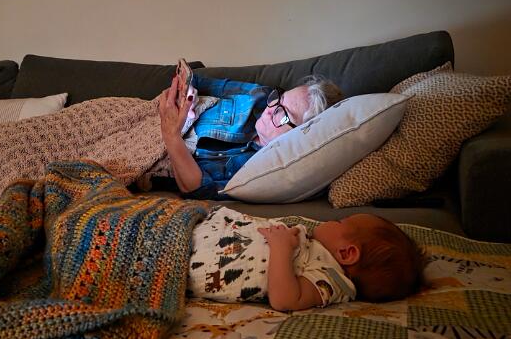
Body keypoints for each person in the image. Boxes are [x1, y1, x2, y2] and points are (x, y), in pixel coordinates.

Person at [187, 207, 426, 311]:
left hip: (207, 262)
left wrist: (281, 248)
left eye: (340, 222)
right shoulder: (318, 252)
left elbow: (285, 299)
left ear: (346, 253)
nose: (332, 220)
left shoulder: (330, 279)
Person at [158, 73, 344, 200]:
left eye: (283, 113)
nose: (270, 109)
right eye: (279, 98)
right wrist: (185, 92)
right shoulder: (259, 96)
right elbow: (197, 80)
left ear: (301, 138)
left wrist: (171, 135)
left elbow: (198, 190)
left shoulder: (263, 173)